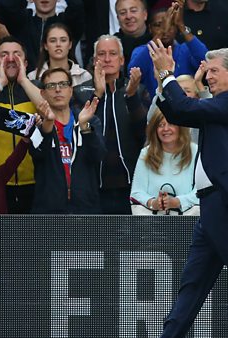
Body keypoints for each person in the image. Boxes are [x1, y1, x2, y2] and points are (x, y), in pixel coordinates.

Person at [117, 41, 228, 338]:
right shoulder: (222, 104)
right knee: (193, 283)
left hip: (226, 205)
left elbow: (185, 109)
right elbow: (176, 111)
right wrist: (164, 81)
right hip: (212, 206)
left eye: (213, 71)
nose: (207, 76)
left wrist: (167, 73)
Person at [74, 34, 149, 214]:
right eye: (102, 54)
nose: (107, 59)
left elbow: (144, 134)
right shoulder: (80, 92)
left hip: (132, 184)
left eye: (113, 54)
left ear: (122, 60)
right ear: (94, 60)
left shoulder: (138, 89)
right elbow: (79, 134)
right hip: (93, 186)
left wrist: (132, 97)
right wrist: (98, 94)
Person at [0, 35, 44, 214]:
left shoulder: (37, 87)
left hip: (36, 181)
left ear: (25, 63)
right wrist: (1, 82)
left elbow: (51, 110)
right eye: (4, 55)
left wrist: (24, 81)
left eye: (16, 54)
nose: (10, 59)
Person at [30, 67, 106, 213]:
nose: (58, 89)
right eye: (51, 86)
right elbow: (37, 154)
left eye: (63, 84)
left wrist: (84, 127)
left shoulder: (89, 120)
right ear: (43, 94)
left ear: (71, 90)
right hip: (49, 212)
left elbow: (98, 155)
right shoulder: (37, 124)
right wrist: (47, 124)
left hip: (85, 209)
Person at [128, 1, 207, 96]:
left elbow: (205, 60)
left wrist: (181, 25)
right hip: (154, 104)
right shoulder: (142, 51)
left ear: (176, 28)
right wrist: (161, 31)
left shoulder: (186, 50)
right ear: (150, 28)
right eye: (158, 25)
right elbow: (132, 73)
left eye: (171, 24)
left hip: (186, 103)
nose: (166, 29)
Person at [130, 107, 198, 213]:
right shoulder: (146, 153)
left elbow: (202, 192)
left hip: (188, 219)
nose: (166, 129)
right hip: (152, 221)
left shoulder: (195, 151)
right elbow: (136, 193)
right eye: (160, 125)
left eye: (171, 124)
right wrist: (153, 203)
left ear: (180, 127)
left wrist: (177, 202)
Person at [0, 0, 85, 72]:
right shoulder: (21, 22)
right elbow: (6, 5)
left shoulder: (67, 23)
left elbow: (77, 5)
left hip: (64, 82)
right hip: (25, 81)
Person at [27, 22, 92, 86]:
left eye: (63, 40)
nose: (58, 44)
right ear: (45, 45)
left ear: (70, 44)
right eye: (53, 41)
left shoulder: (84, 76)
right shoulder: (33, 77)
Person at [114, 0, 152, 75]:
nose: (128, 16)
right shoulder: (112, 44)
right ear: (118, 18)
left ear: (145, 14)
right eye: (123, 13)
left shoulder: (160, 40)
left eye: (133, 11)